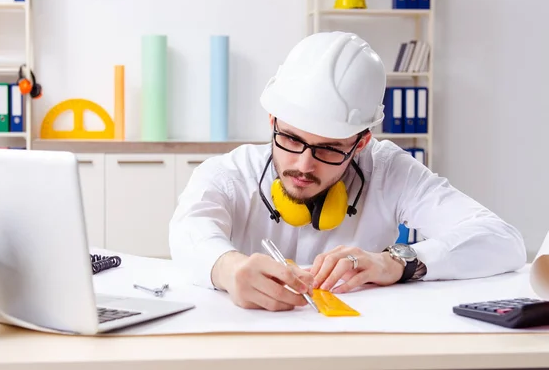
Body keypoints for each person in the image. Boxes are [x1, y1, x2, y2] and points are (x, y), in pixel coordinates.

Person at [168, 31, 527, 312]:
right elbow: (187, 230)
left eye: (328, 148)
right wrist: (228, 268)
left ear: (361, 142)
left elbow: (502, 241)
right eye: (291, 139)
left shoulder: (389, 169)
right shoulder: (229, 172)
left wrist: (397, 262)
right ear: (272, 120)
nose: (303, 165)